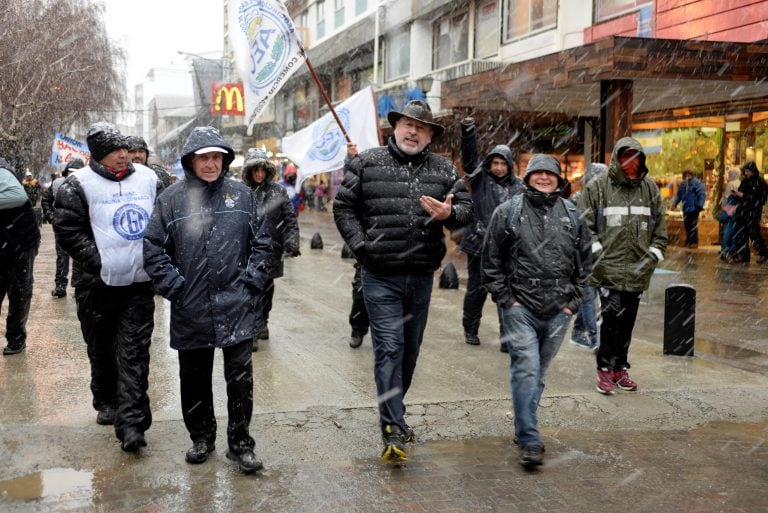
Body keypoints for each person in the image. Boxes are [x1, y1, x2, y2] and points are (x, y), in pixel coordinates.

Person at [333, 100, 472, 464]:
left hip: (422, 277)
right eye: (407, 125)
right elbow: (343, 207)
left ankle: (395, 410)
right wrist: (363, 247)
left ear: (429, 136)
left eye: (421, 127)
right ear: (395, 127)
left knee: (409, 353)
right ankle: (392, 426)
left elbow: (467, 213)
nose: (413, 132)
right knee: (390, 349)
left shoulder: (444, 170)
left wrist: (450, 213)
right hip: (379, 276)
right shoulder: (367, 163)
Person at [143, 127, 272, 474]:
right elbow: (153, 248)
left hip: (237, 305)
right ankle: (201, 437)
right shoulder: (170, 200)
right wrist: (175, 287)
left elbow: (262, 243)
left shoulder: (242, 196)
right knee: (195, 378)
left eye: (217, 157)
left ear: (225, 159)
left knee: (240, 380)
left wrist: (252, 282)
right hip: (192, 307)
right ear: (190, 160)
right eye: (204, 157)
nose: (211, 163)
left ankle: (241, 443)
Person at [53, 122, 158, 452]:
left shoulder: (148, 179)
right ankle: (106, 399)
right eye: (116, 151)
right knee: (101, 347)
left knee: (134, 351)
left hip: (138, 285)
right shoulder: (76, 186)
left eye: (126, 150)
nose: (124, 156)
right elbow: (68, 230)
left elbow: (166, 216)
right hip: (95, 285)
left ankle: (132, 422)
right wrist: (101, 260)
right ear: (98, 156)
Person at [482, 154, 591, 469]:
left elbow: (585, 265)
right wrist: (507, 300)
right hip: (520, 308)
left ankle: (522, 426)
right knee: (526, 368)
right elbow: (490, 262)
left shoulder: (573, 215)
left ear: (559, 179)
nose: (544, 177)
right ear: (527, 177)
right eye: (537, 173)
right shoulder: (508, 212)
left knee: (538, 372)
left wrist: (573, 303)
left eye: (550, 173)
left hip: (559, 310)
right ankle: (530, 439)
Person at [578, 137, 667, 395]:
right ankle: (605, 369)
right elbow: (584, 226)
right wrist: (598, 255)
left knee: (627, 322)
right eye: (625, 156)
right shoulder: (598, 188)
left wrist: (652, 258)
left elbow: (660, 232)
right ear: (617, 158)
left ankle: (619, 369)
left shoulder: (649, 189)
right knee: (611, 320)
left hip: (638, 273)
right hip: (608, 271)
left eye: (635, 156)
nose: (631, 162)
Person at [458, 116, 524, 351]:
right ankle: (470, 328)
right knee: (477, 290)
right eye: (494, 162)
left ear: (509, 165)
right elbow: (468, 159)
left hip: (508, 250)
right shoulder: (480, 179)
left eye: (502, 163)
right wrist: (468, 131)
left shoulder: (519, 187)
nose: (498, 167)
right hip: (479, 245)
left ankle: (507, 338)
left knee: (506, 294)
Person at [241, 148, 299, 350]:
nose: (259, 174)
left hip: (272, 250)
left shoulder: (278, 192)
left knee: (266, 291)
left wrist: (292, 242)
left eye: (262, 170)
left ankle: (263, 320)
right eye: (254, 170)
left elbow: (290, 219)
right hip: (247, 251)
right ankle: (253, 330)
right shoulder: (240, 192)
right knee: (251, 291)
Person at [0, 157, 41, 356]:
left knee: (19, 292)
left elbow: (17, 196)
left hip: (21, 242)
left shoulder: (2, 172)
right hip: (4, 240)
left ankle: (16, 339)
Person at [568, 163, 608, 351]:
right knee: (588, 297)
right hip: (582, 258)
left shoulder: (605, 202)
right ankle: (594, 337)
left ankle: (578, 333)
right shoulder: (577, 201)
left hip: (599, 257)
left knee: (590, 297)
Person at [41, 158, 85, 298]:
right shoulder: (57, 184)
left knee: (81, 257)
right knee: (62, 257)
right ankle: (60, 286)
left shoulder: (89, 185)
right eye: (71, 172)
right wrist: (52, 217)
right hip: (62, 228)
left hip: (82, 227)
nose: (73, 175)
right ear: (66, 172)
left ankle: (79, 285)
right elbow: (46, 200)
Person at [343, 143, 369, 349]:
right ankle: (358, 328)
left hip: (395, 248)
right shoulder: (364, 180)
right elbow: (351, 183)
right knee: (361, 293)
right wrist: (350, 159)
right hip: (368, 248)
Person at [730, 161, 768, 264]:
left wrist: (744, 196)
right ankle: (744, 255)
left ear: (753, 171)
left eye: (748, 171)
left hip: (753, 212)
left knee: (754, 234)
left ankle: (764, 253)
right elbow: (742, 195)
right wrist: (736, 195)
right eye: (745, 171)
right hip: (743, 212)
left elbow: (759, 198)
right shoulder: (745, 181)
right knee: (742, 235)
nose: (746, 173)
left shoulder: (760, 182)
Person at [673, 169, 706, 248]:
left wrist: (700, 205)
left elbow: (701, 194)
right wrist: (675, 203)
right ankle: (689, 241)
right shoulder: (683, 184)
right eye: (686, 174)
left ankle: (694, 242)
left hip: (694, 208)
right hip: (686, 208)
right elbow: (679, 195)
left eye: (688, 174)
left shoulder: (696, 183)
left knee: (693, 225)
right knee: (687, 225)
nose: (687, 176)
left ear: (692, 174)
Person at [719, 166, 741, 261]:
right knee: (735, 232)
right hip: (737, 211)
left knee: (727, 231)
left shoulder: (730, 184)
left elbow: (726, 198)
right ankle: (733, 251)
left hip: (729, 211)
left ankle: (725, 251)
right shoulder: (740, 183)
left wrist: (723, 208)